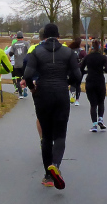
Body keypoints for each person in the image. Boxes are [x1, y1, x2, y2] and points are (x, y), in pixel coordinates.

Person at [24, 23, 81, 190]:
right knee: (60, 134)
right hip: (61, 93)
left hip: (43, 94)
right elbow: (78, 75)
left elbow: (27, 74)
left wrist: (32, 88)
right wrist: (67, 82)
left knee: (47, 136)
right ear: (58, 36)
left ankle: (48, 177)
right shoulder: (68, 52)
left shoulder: (36, 51)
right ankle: (55, 164)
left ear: (43, 36)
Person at [80, 39, 107, 132]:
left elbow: (81, 68)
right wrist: (101, 70)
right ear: (100, 47)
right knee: (101, 102)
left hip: (90, 81)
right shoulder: (103, 57)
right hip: (100, 81)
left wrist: (87, 71)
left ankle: (94, 125)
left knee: (93, 104)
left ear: (91, 47)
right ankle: (100, 119)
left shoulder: (87, 57)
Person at [9, 31, 30, 97]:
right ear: (22, 37)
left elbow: (10, 53)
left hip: (17, 65)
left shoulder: (14, 45)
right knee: (25, 78)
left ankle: (20, 94)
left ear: (17, 37)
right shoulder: (26, 43)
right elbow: (30, 52)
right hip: (25, 64)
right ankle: (25, 88)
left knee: (18, 79)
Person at [68, 37, 86, 106]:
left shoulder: (69, 50)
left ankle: (72, 92)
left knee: (71, 83)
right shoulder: (82, 51)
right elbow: (86, 58)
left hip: (71, 69)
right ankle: (77, 100)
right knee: (78, 84)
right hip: (80, 69)